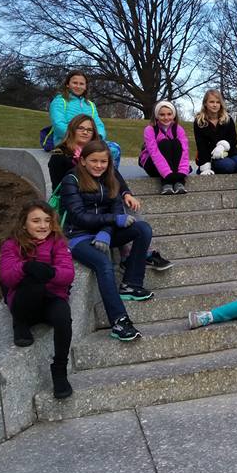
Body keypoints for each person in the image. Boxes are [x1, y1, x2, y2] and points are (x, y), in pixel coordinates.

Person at [48, 114, 173, 271]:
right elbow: (61, 189)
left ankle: (140, 253)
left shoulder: (99, 151)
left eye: (89, 130)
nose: (85, 132)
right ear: (72, 130)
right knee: (115, 208)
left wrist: (126, 193)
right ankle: (129, 253)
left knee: (127, 203)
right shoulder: (60, 156)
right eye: (81, 128)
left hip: (100, 199)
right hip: (79, 205)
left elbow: (113, 175)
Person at [62, 140, 154, 341]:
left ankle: (131, 283)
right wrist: (112, 221)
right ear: (83, 161)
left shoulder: (110, 178)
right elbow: (79, 216)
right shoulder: (71, 180)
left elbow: (116, 210)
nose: (98, 165)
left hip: (104, 233)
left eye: (103, 161)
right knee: (103, 263)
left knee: (143, 229)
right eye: (93, 161)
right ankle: (119, 321)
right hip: (78, 236)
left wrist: (106, 232)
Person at [0, 200, 75, 399]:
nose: (43, 226)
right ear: (24, 223)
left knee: (63, 317)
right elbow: (6, 277)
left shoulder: (57, 242)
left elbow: (68, 274)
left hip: (51, 297)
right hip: (26, 301)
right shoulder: (11, 245)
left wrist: (51, 272)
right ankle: (20, 322)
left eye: (47, 220)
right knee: (32, 280)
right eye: (36, 221)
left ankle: (59, 370)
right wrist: (25, 267)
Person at [47, 70, 121, 166]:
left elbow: (98, 124)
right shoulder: (60, 101)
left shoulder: (90, 105)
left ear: (85, 87)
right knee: (82, 153)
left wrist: (97, 138)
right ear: (67, 84)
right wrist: (78, 137)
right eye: (75, 83)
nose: (78, 86)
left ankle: (108, 175)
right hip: (67, 141)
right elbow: (58, 124)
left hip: (89, 140)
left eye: (81, 84)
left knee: (114, 148)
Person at [193, 89, 237, 174]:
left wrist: (222, 146)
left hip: (230, 151)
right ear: (205, 103)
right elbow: (201, 146)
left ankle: (228, 165)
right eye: (211, 102)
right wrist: (205, 166)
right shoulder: (199, 122)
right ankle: (212, 167)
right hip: (212, 155)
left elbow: (233, 139)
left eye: (218, 102)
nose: (215, 105)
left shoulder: (228, 119)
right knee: (228, 166)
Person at [139, 100, 191, 195]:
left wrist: (182, 174)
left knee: (176, 143)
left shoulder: (178, 129)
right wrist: (168, 175)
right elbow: (155, 154)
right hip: (153, 164)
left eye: (169, 114)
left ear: (174, 115)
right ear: (156, 116)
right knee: (164, 143)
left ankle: (179, 183)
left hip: (174, 167)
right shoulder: (150, 130)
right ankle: (166, 184)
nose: (166, 117)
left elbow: (185, 152)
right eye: (162, 115)